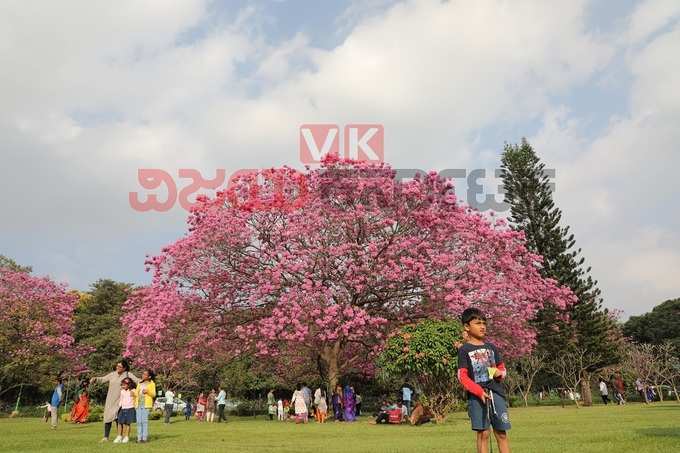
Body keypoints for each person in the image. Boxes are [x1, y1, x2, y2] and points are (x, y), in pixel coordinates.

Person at [457, 307, 511, 453]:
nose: (482, 326)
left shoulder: (492, 347)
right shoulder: (464, 350)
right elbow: (462, 376)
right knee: (483, 434)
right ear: (467, 327)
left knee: (501, 433)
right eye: (477, 323)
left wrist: (499, 373)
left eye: (484, 323)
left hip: (496, 394)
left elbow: (502, 369)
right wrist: (479, 391)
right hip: (477, 396)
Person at [91, 359, 140, 442]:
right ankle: (106, 437)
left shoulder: (128, 374)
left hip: (122, 399)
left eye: (120, 366)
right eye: (117, 366)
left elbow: (137, 381)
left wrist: (146, 383)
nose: (118, 368)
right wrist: (95, 379)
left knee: (119, 418)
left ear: (124, 368)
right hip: (110, 399)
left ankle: (120, 436)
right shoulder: (112, 374)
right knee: (108, 417)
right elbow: (103, 379)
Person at [133, 369, 156, 443]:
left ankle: (144, 438)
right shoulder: (139, 383)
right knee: (139, 422)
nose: (143, 375)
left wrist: (147, 391)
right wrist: (133, 394)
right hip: (138, 404)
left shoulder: (152, 384)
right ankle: (139, 438)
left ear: (149, 376)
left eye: (145, 374)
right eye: (143, 374)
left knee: (144, 421)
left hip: (146, 405)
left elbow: (154, 394)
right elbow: (136, 393)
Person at [114, 378, 135, 443]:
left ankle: (126, 437)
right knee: (120, 423)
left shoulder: (133, 390)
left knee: (127, 423)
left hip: (130, 408)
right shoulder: (122, 391)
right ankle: (119, 436)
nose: (123, 386)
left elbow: (136, 397)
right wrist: (118, 407)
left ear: (129, 385)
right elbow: (121, 399)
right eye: (122, 385)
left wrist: (134, 394)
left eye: (124, 385)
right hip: (122, 409)